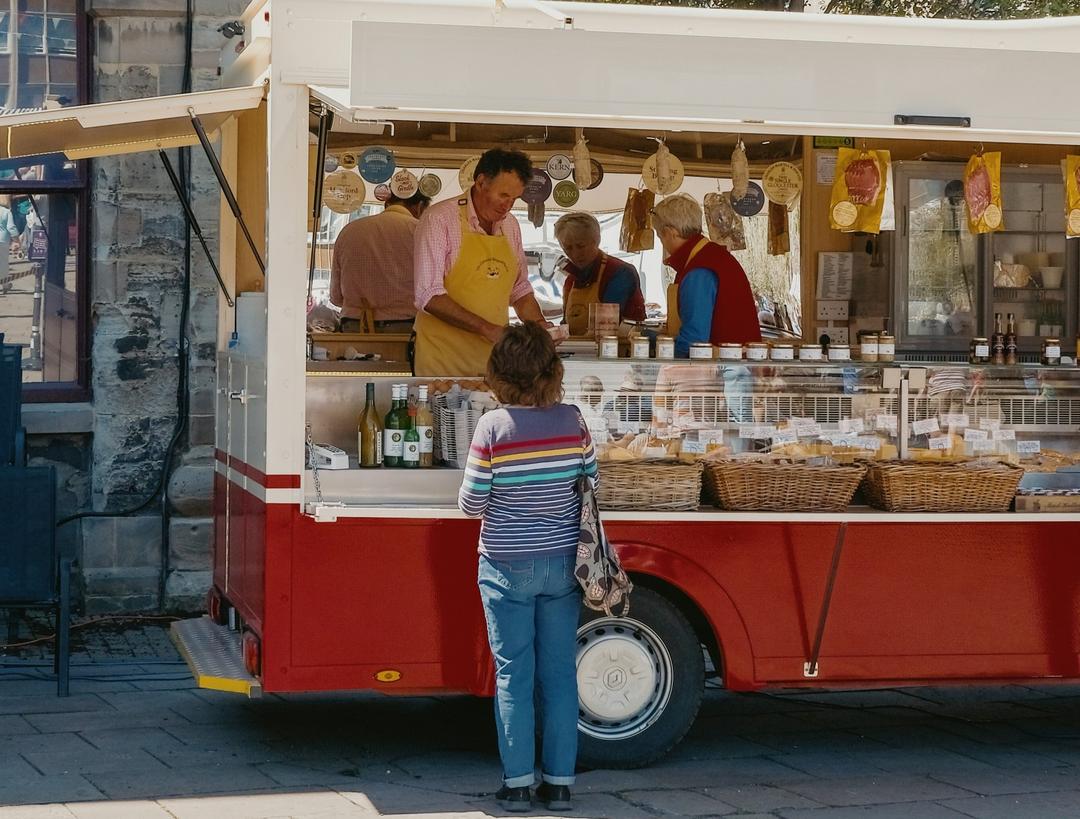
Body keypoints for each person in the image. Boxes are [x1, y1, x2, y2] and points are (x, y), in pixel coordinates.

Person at [458, 323, 595, 813]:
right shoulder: (574, 420)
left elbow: (472, 504)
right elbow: (590, 482)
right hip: (563, 566)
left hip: (505, 565)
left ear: (498, 373)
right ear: (552, 372)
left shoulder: (493, 427)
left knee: (513, 675)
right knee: (560, 675)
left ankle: (517, 783)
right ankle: (559, 785)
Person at [413, 148, 548, 375]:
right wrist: (487, 329)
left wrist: (540, 327)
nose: (508, 206)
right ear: (481, 181)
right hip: (443, 361)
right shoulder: (439, 219)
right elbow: (428, 295)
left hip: (493, 363)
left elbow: (519, 288)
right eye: (503, 195)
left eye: (514, 199)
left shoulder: (511, 225)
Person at [651, 193, 761, 357]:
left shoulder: (699, 269)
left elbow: (694, 342)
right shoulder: (714, 257)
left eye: (660, 236)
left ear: (670, 232)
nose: (663, 243)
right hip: (739, 368)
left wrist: (656, 342)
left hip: (726, 373)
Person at [329, 190, 430, 333]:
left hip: (355, 326)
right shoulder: (420, 231)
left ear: (387, 203)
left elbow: (336, 296)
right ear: (419, 206)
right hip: (404, 327)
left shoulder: (349, 231)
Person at [554, 212, 645, 335]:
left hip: (620, 350)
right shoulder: (571, 279)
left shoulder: (619, 272)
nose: (575, 254)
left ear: (596, 240)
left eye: (580, 246)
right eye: (568, 248)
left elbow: (606, 327)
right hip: (577, 350)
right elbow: (565, 324)